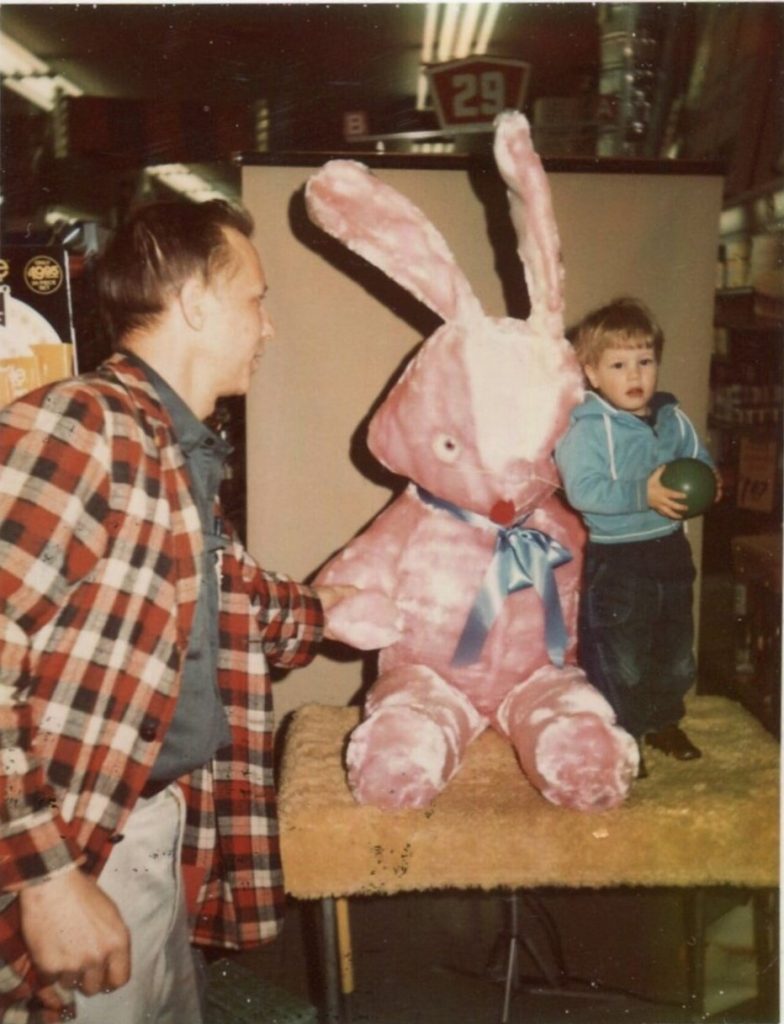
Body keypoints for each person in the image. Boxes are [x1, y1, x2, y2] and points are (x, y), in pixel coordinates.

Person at [0, 199, 355, 1023]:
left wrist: (336, 609)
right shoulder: (84, 427)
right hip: (74, 849)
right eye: (256, 301)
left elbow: (223, 590)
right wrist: (45, 878)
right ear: (195, 303)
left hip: (142, 832)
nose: (268, 330)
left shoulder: (170, 446)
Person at [554, 297, 720, 777]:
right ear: (591, 372)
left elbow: (699, 460)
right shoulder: (585, 425)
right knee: (619, 657)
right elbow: (583, 491)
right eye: (619, 364)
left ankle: (664, 721)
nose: (635, 375)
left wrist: (711, 480)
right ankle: (620, 738)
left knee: (673, 652)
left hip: (671, 550)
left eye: (644, 361)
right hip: (620, 561)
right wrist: (641, 493)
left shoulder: (671, 416)